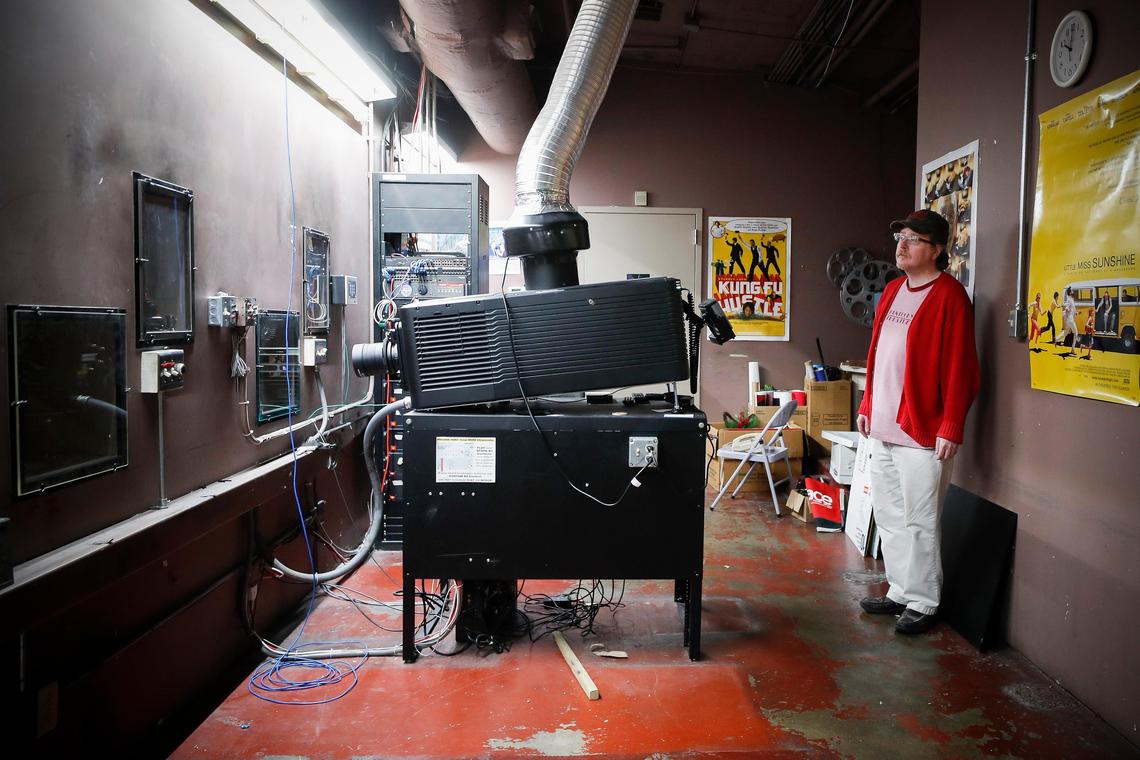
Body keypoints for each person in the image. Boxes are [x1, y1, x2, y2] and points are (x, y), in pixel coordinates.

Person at [856, 208, 979, 635]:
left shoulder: (950, 296)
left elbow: (962, 368)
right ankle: (900, 590)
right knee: (889, 514)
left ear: (938, 250)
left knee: (921, 520)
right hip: (884, 424)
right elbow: (878, 356)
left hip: (922, 430)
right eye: (901, 237)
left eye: (913, 239)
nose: (902, 246)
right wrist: (868, 404)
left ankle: (925, 601)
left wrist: (951, 426)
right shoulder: (892, 291)